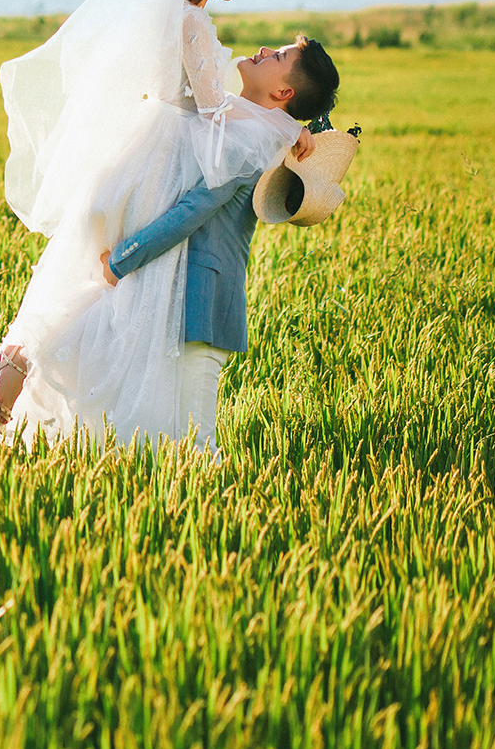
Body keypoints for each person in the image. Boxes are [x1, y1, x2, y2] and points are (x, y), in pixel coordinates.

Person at [0, 0, 317, 448]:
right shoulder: (192, 22)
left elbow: (212, 102)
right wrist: (281, 125)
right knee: (130, 294)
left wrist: (281, 122)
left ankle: (23, 354)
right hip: (165, 164)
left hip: (142, 152)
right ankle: (30, 359)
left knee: (109, 288)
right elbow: (214, 114)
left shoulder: (177, 13)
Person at [98, 38, 342, 452]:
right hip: (185, 295)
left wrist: (120, 261)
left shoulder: (251, 143)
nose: (263, 50)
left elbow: (193, 210)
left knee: (196, 442)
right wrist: (298, 127)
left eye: (277, 56)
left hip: (202, 301)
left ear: (284, 91)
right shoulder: (247, 124)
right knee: (161, 439)